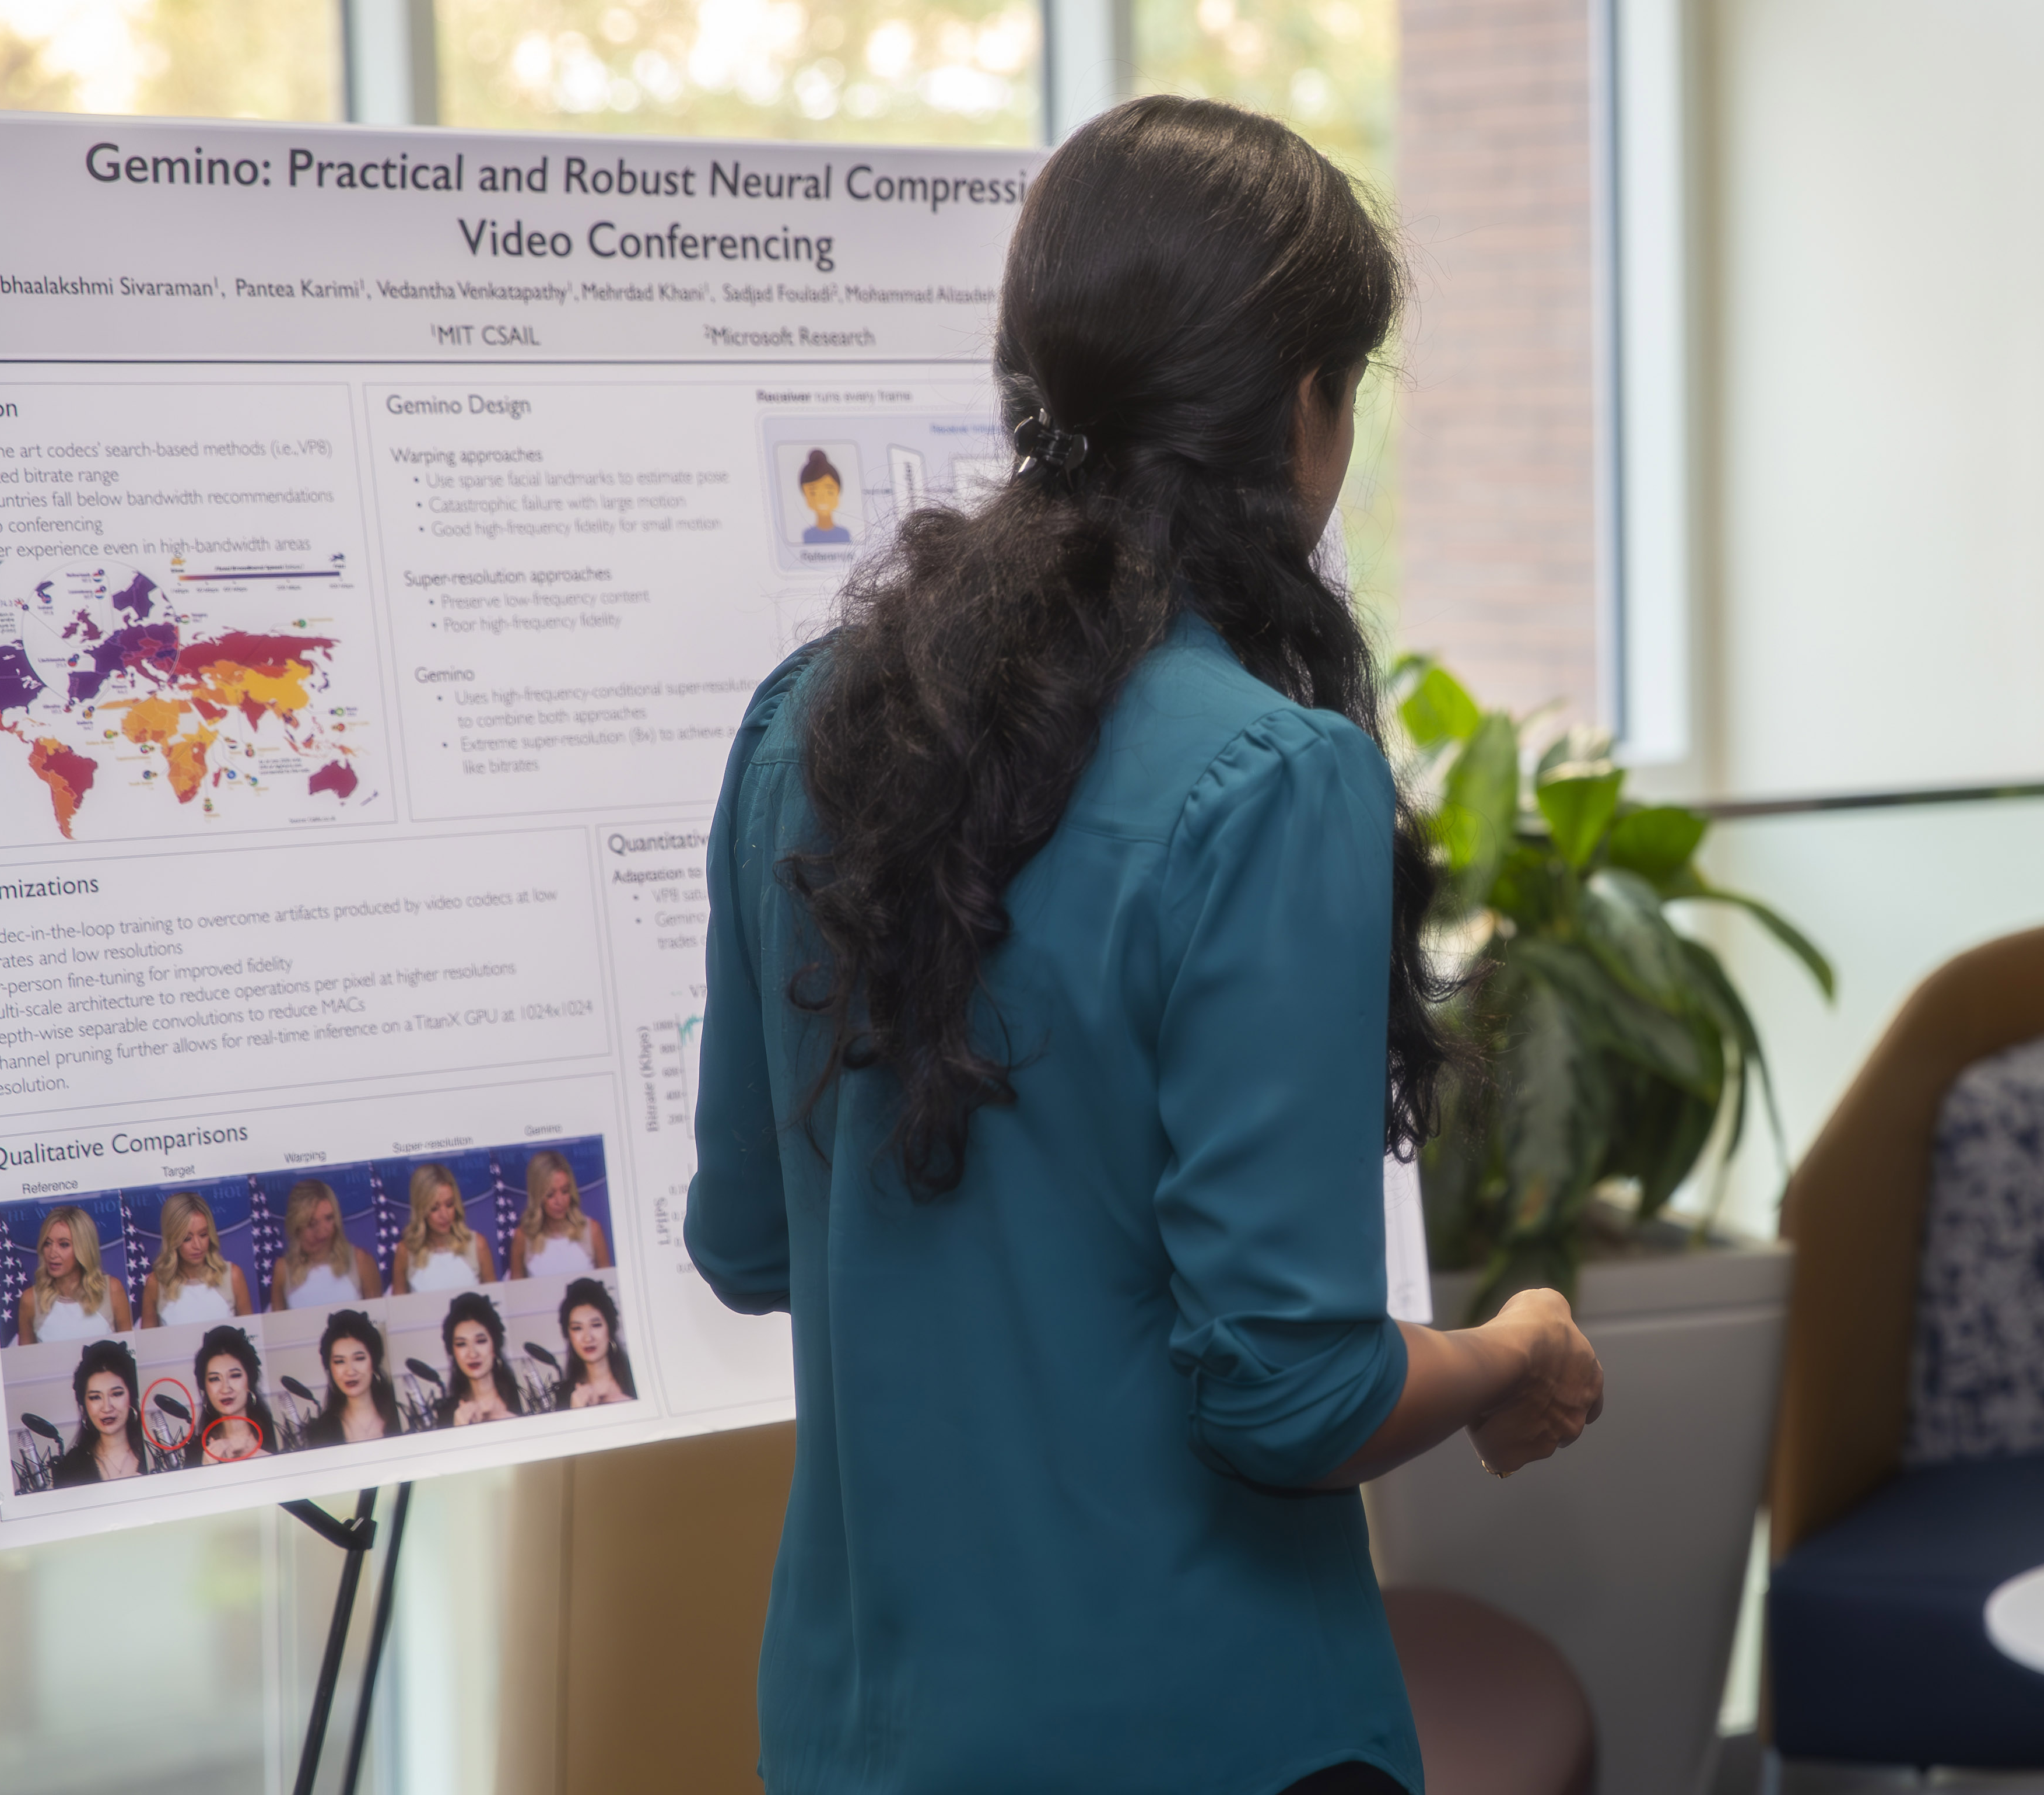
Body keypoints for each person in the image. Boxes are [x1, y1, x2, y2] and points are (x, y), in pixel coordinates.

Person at [686, 96, 1605, 1795]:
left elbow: (750, 1247)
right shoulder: (1272, 778)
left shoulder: (800, 729)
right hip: (1199, 1734)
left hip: (849, 1736)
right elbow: (1297, 1396)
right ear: (1308, 414)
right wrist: (1512, 1356)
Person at [19, 1204, 130, 1343]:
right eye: (47, 1244)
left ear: (83, 1248)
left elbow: (130, 1355)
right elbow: (24, 1363)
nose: (52, 1253)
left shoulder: (111, 1290)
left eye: (64, 1245)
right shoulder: (30, 1300)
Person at [141, 1190, 253, 1327]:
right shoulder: (155, 1284)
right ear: (173, 1239)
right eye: (187, 1239)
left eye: (203, 1234)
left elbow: (250, 1339)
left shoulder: (233, 1276)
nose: (198, 1246)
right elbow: (148, 1346)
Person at [299, 1309, 405, 1446]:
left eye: (359, 1359)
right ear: (330, 1368)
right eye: (340, 1361)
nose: (350, 1371)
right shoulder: (322, 1431)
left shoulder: (403, 1416)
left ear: (374, 1361)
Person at [271, 1180, 381, 1310]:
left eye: (329, 1218)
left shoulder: (361, 1262)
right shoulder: (283, 1271)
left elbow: (378, 1324)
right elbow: (277, 1329)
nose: (322, 1233)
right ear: (296, 1226)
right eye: (312, 1224)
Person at [50, 1338, 146, 1486]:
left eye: (116, 1394)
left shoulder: (154, 1453)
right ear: (84, 1406)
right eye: (95, 1397)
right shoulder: (72, 1466)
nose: (107, 1407)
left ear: (131, 1397)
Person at [392, 1163, 491, 1293]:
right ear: (422, 1210)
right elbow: (398, 1311)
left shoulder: (478, 1245)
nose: (444, 1215)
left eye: (449, 1205)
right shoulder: (405, 1252)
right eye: (434, 1208)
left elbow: (494, 1305)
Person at [510, 1150, 610, 1278]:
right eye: (550, 1195)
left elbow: (608, 1288)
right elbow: (516, 1294)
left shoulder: (592, 1231)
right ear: (538, 1197)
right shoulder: (522, 1238)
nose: (560, 1201)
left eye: (565, 1191)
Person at [186, 1325, 275, 1465]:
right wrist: (207, 1470)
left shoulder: (277, 1436)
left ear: (249, 1381)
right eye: (215, 1379)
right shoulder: (196, 1451)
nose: (225, 1389)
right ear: (205, 1387)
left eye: (235, 1376)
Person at [441, 1291, 526, 1424]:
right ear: (453, 1351)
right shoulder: (447, 1413)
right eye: (461, 1344)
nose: (473, 1354)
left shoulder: (524, 1398)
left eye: (481, 1341)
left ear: (495, 1345)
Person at [555, 1277, 636, 1408]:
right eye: (577, 1328)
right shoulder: (564, 1395)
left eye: (596, 1325)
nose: (588, 1338)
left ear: (610, 1329)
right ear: (568, 1335)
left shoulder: (636, 1380)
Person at [797, 448, 851, 544]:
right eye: (813, 493)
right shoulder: (807, 535)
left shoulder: (845, 534)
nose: (822, 498)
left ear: (838, 493)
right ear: (806, 497)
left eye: (829, 492)